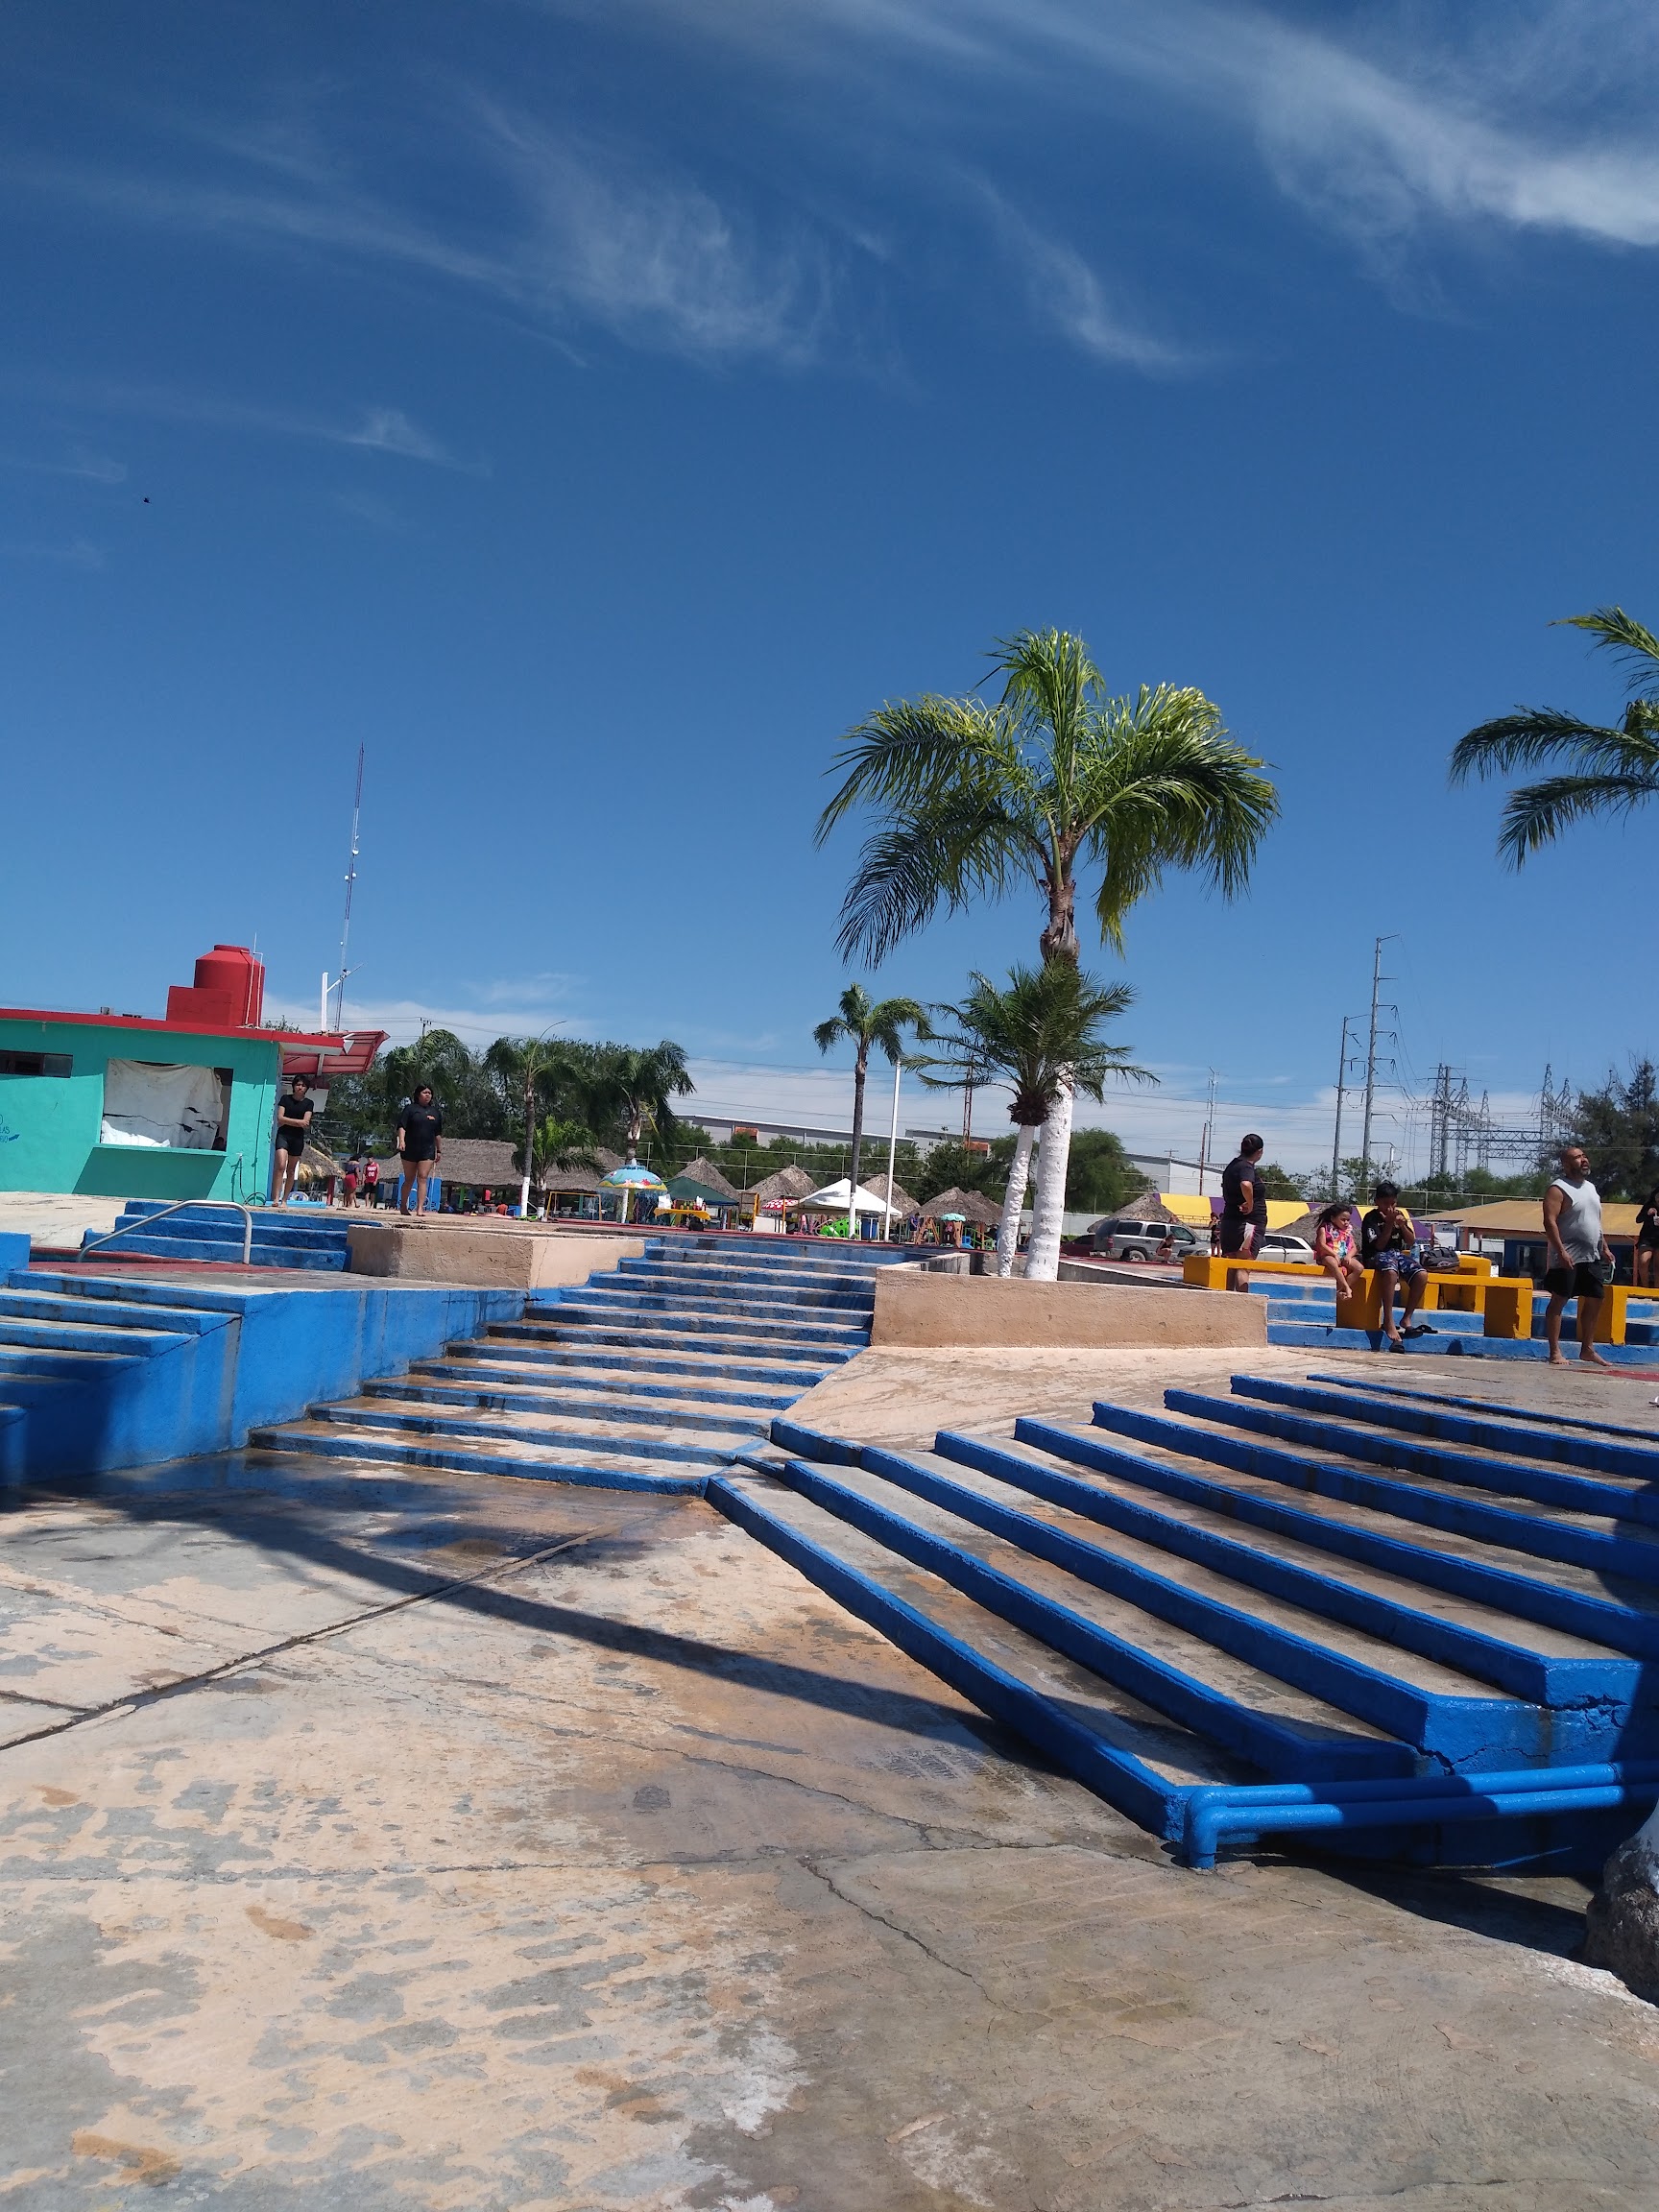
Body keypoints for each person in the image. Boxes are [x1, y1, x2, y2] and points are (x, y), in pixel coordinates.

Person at [1543, 1143, 1613, 1367]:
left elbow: (1595, 1221)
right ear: (1565, 1163)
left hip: (1591, 1255)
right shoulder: (1558, 1188)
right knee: (1559, 1299)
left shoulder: (1591, 1187)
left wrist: (1604, 1246)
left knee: (1596, 1297)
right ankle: (1555, 1352)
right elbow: (1549, 1221)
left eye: (1584, 1156)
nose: (1583, 1160)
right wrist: (1561, 1251)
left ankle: (1587, 1349)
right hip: (1568, 1255)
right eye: (1577, 1157)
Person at [1360, 1182, 1429, 1350]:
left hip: (1396, 1254)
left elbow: (1411, 1241)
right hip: (1376, 1255)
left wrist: (1402, 1225)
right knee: (1391, 1271)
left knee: (1421, 1274)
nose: (1390, 1208)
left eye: (1393, 1203)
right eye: (1386, 1203)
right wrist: (1389, 1224)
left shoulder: (1400, 1216)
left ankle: (1407, 1318)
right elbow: (1379, 1245)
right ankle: (1388, 1320)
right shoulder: (1371, 1218)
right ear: (1377, 1201)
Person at [1218, 1134, 1267, 1291]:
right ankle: (1243, 1302)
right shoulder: (1246, 1167)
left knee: (1232, 1265)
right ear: (1259, 1152)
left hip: (1230, 1222)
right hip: (1248, 1223)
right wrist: (1250, 1204)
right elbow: (1246, 1184)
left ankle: (1227, 1301)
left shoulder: (1232, 1166)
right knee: (1243, 1267)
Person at [396, 1083, 444, 1217]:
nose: (427, 1095)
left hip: (427, 1149)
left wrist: (439, 1150)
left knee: (422, 1177)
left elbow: (438, 1133)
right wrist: (402, 1140)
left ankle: (420, 1208)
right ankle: (403, 1206)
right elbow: (402, 1126)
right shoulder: (410, 1109)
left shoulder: (435, 1112)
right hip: (410, 1148)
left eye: (429, 1093)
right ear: (418, 1094)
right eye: (424, 1092)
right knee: (409, 1178)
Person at [271, 1076, 313, 1207]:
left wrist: (288, 1121)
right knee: (280, 1166)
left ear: (306, 1088)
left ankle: (284, 1200)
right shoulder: (285, 1099)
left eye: (303, 1085)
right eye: (298, 1084)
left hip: (297, 1138)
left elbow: (306, 1122)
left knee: (291, 1170)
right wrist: (298, 1122)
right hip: (283, 1135)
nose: (300, 1087)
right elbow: (280, 1118)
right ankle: (276, 1198)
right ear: (294, 1086)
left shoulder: (308, 1103)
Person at [1313, 1200, 1364, 1302]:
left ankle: (1343, 1289)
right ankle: (1347, 1288)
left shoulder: (1347, 1231)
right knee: (1333, 1263)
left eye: (1348, 1220)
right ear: (1333, 1218)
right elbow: (1322, 1245)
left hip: (1344, 1255)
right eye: (1343, 1220)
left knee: (1359, 1268)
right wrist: (1334, 1254)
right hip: (1328, 1255)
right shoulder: (1325, 1229)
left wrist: (1349, 1256)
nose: (1346, 1222)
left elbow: (1354, 1247)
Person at [1636, 1185, 1659, 1290]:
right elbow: (1638, 1220)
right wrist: (1647, 1213)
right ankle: (1645, 1288)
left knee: (1657, 1266)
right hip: (1647, 1238)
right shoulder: (1649, 1205)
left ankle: (1657, 1290)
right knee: (1643, 1262)